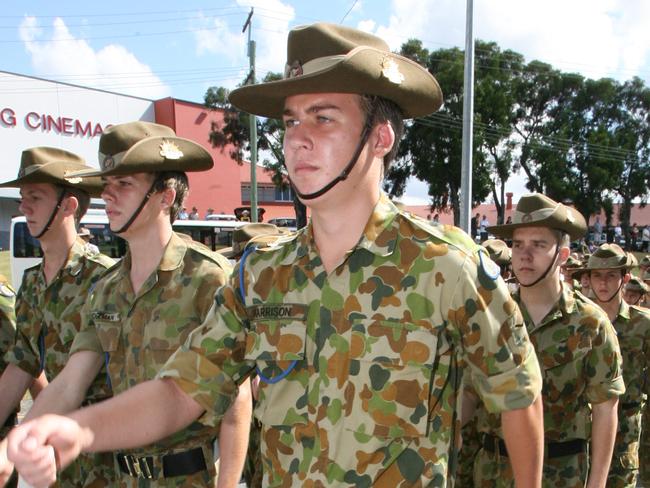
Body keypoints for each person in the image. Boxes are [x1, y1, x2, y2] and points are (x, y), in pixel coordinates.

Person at [8, 23, 544, 487]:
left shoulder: (445, 266)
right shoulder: (261, 276)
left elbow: (518, 398)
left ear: (380, 137)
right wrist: (80, 429)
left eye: (323, 118)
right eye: (290, 121)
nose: (296, 140)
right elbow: (180, 392)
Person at [9, 123, 252, 487]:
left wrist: (229, 484)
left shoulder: (209, 278)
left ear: (165, 196)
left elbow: (236, 402)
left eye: (124, 185)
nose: (108, 196)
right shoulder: (106, 289)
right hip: (119, 479)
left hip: (187, 478)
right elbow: (68, 384)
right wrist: (16, 445)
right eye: (107, 186)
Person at [469, 194, 624, 487]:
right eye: (517, 245)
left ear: (562, 256)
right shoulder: (491, 316)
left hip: (561, 474)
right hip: (493, 471)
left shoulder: (590, 323)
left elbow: (605, 410)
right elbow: (467, 398)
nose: (525, 255)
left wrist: (598, 484)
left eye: (538, 245)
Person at [0, 147, 115, 486]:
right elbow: (22, 365)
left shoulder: (105, 280)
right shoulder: (33, 283)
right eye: (22, 198)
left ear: (69, 205)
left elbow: (75, 383)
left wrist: (14, 445)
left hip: (105, 457)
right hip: (56, 455)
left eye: (35, 197)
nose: (24, 207)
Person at [585, 244, 650, 487]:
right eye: (597, 276)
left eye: (611, 276)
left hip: (626, 431)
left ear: (625, 278)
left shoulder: (643, 325)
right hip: (583, 432)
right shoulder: (579, 323)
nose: (603, 283)